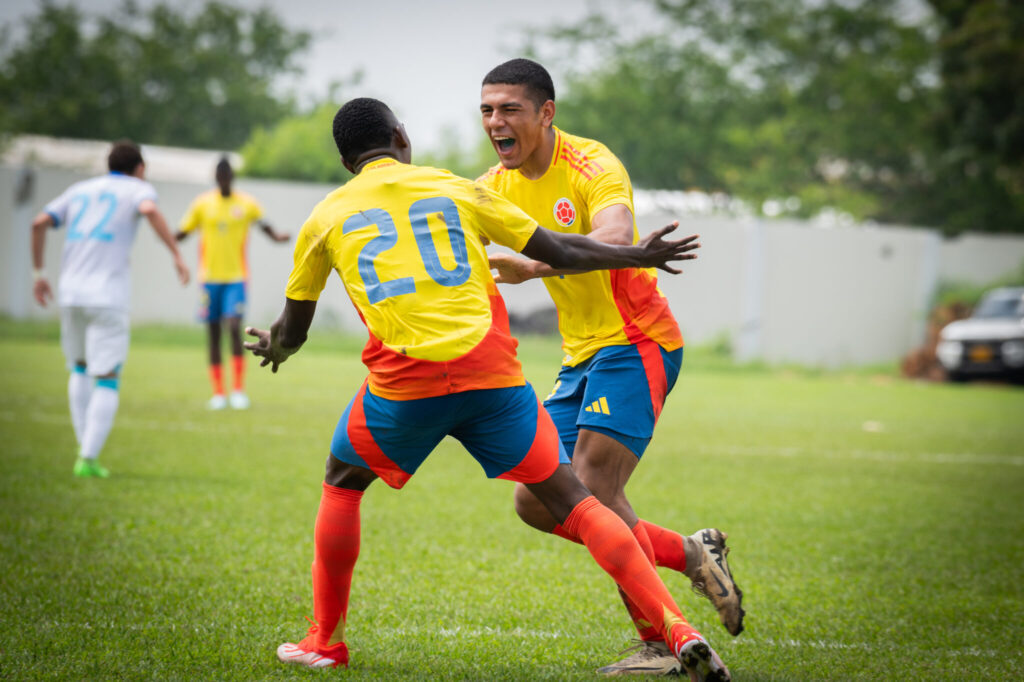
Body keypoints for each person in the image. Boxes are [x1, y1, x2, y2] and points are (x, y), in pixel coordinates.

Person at [244, 97, 730, 681]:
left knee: (343, 481)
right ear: (402, 135)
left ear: (348, 161)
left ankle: (325, 641)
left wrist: (276, 346)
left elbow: (294, 329)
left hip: (409, 382)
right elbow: (566, 248)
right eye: (487, 110)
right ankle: (678, 627)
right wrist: (639, 255)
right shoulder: (459, 189)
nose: (496, 121)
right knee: (572, 499)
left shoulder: (324, 217)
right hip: (493, 375)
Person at [477, 58, 744, 675]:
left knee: (596, 484)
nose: (496, 122)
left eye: (509, 108)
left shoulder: (592, 163)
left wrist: (532, 267)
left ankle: (661, 644)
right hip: (580, 356)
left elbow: (616, 235)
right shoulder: (490, 186)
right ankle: (689, 553)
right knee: (536, 498)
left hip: (638, 339)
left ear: (546, 113)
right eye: (487, 109)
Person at [31, 139, 190, 478]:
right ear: (140, 169)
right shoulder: (137, 189)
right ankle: (88, 458)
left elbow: (38, 222)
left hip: (71, 293)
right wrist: (176, 254)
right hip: (107, 296)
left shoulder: (80, 189)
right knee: (107, 376)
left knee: (79, 367)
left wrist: (38, 274)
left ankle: (82, 447)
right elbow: (148, 210)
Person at [176, 157, 290, 410]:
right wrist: (168, 237)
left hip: (236, 279)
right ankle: (218, 393)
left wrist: (279, 237)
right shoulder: (202, 204)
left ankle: (238, 390)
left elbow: (265, 226)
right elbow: (183, 232)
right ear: (216, 178)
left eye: (228, 177)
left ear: (232, 178)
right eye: (221, 177)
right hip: (208, 280)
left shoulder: (246, 203)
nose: (224, 181)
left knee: (234, 327)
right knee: (213, 333)